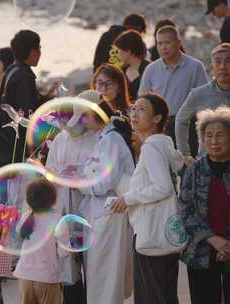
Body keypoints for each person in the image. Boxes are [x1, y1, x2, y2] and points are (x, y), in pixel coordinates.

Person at [112, 93, 184, 303]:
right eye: (133, 108)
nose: (134, 113)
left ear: (157, 118)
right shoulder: (164, 144)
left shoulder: (151, 147)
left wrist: (128, 198)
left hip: (151, 233)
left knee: (151, 295)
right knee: (165, 293)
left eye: (142, 109)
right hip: (165, 232)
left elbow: (163, 188)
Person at [45, 90, 100, 304]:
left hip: (89, 209)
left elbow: (101, 174)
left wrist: (79, 176)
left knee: (93, 267)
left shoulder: (97, 138)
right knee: (69, 271)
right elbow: (49, 172)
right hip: (65, 211)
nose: (70, 128)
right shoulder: (60, 140)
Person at [80, 99, 135, 304]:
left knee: (105, 269)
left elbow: (107, 180)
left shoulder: (111, 140)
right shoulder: (105, 138)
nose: (83, 120)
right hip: (104, 210)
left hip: (110, 210)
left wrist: (81, 183)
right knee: (99, 268)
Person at [0, 30, 59, 169]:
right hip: (17, 147)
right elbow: (28, 115)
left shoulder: (13, 69)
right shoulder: (25, 77)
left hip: (5, 137)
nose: (40, 52)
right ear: (32, 52)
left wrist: (47, 97)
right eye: (39, 48)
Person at [179, 106, 230, 304]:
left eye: (220, 135)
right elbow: (185, 210)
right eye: (208, 135)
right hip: (200, 254)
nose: (214, 141)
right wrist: (213, 239)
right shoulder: (194, 171)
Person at [138, 25, 209, 143]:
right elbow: (142, 100)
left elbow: (204, 99)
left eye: (167, 42)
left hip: (187, 125)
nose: (163, 47)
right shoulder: (151, 69)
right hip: (159, 125)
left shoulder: (195, 66)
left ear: (178, 42)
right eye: (159, 43)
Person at [176, 43, 230, 158]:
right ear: (212, 66)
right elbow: (181, 120)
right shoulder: (199, 94)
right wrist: (184, 154)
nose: (222, 67)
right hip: (206, 165)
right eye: (218, 61)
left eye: (228, 61)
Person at [13, 179, 62, 304]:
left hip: (24, 276)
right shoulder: (57, 219)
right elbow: (63, 252)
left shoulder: (26, 217)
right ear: (53, 198)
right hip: (46, 277)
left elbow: (19, 233)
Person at [113, 30, 150, 101]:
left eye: (119, 50)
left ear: (128, 51)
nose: (118, 54)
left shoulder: (150, 69)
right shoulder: (121, 71)